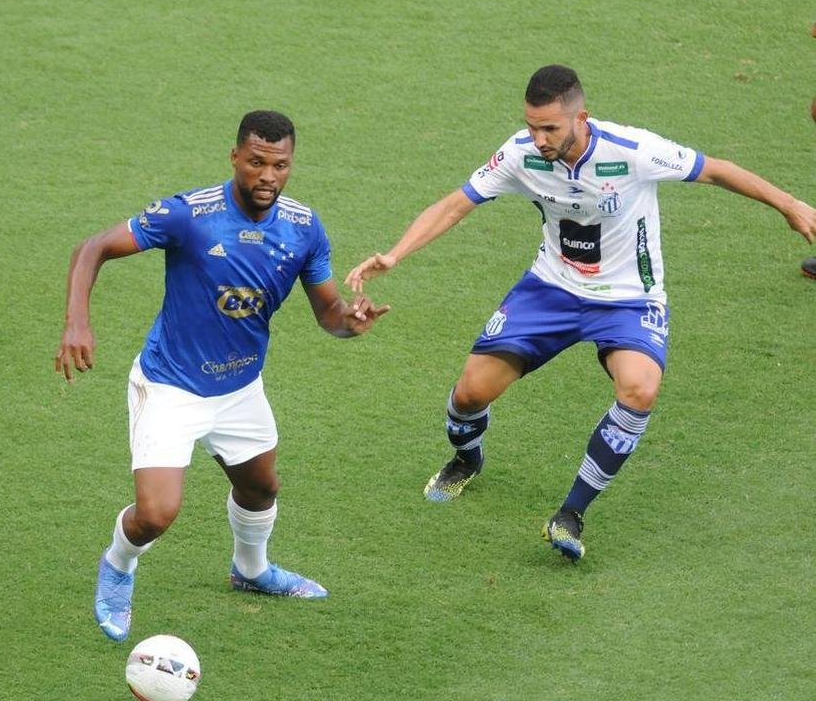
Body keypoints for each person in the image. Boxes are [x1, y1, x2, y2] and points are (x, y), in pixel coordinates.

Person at [346, 65, 815, 561]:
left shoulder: (632, 150)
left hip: (630, 298)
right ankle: (467, 458)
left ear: (580, 117)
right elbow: (456, 204)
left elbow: (715, 169)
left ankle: (570, 513)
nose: (539, 138)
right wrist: (396, 254)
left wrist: (789, 205)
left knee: (640, 389)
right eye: (532, 125)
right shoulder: (520, 154)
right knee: (469, 393)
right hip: (551, 288)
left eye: (549, 127)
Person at [57, 110, 389, 641]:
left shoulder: (303, 227)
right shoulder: (189, 215)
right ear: (235, 157)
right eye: (256, 162)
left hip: (239, 390)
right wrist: (77, 323)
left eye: (279, 165)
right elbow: (92, 248)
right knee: (156, 515)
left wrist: (350, 322)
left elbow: (328, 315)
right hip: (170, 385)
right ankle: (118, 566)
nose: (267, 176)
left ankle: (251, 571)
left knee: (261, 489)